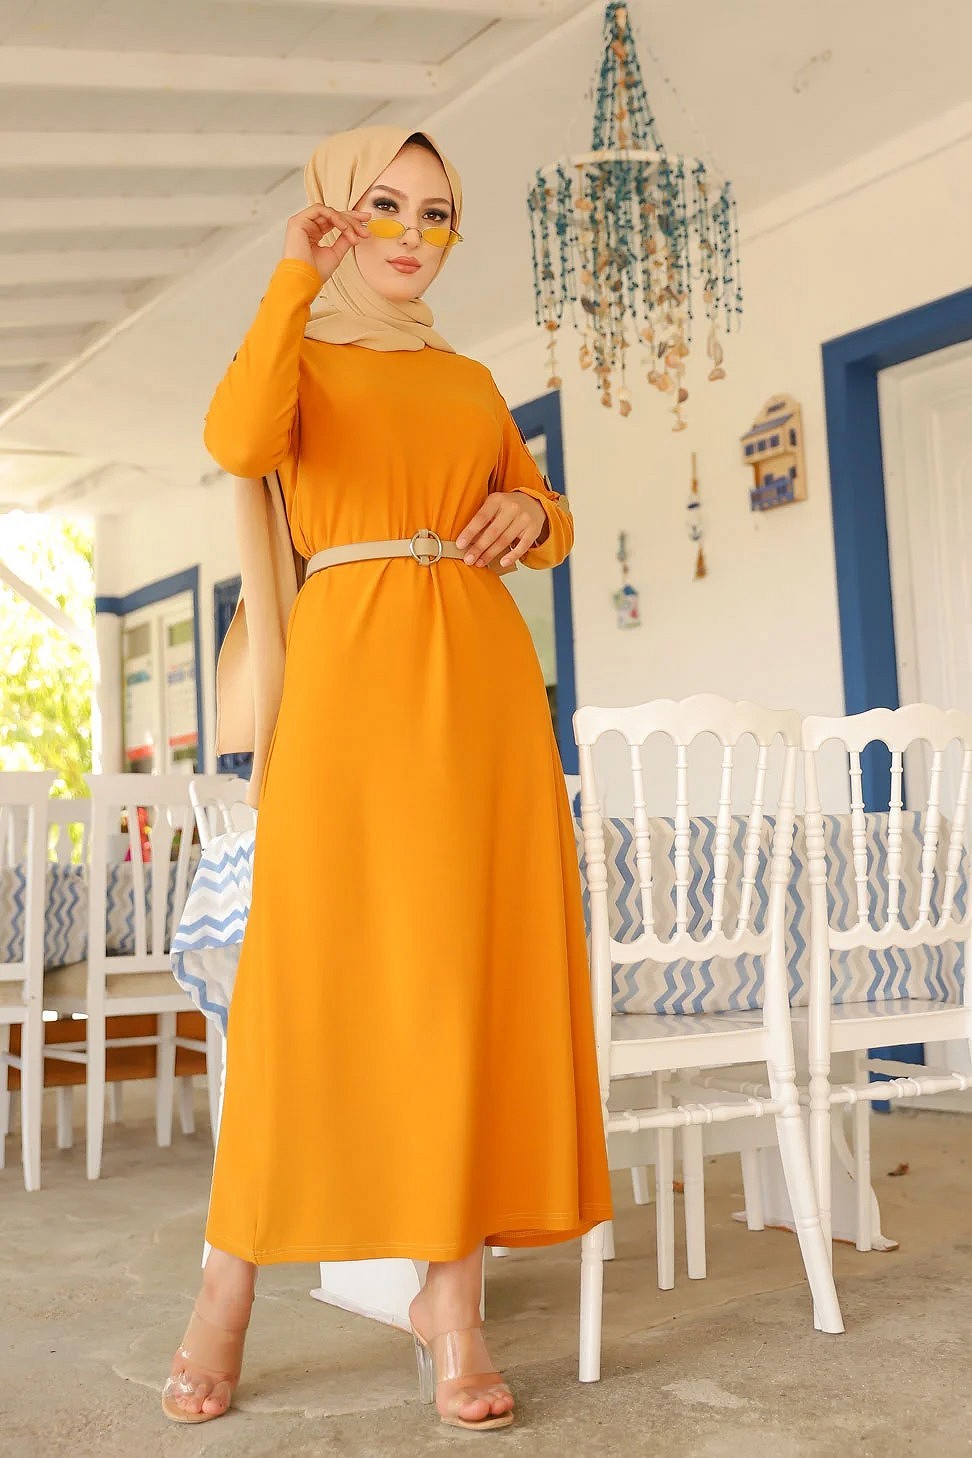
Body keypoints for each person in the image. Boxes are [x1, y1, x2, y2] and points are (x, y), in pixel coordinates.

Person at [162, 125, 612, 1435]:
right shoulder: (296, 353)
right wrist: (291, 277)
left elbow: (539, 509)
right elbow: (236, 436)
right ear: (336, 216)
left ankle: (451, 1302)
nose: (413, 235)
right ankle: (226, 1291)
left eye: (437, 214)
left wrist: (536, 515)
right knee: (305, 990)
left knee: (461, 984)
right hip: (348, 685)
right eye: (385, 207)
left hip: (483, 689)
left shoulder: (470, 378)